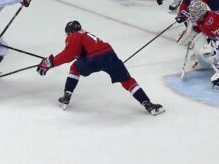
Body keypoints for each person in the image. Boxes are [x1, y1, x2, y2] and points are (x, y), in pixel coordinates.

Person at [36, 21, 165, 115]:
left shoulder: (74, 35)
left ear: (69, 32)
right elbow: (80, 52)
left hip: (95, 58)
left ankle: (66, 96)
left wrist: (50, 62)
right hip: (109, 54)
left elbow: (68, 54)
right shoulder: (86, 34)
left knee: (75, 67)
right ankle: (147, 103)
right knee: (126, 80)